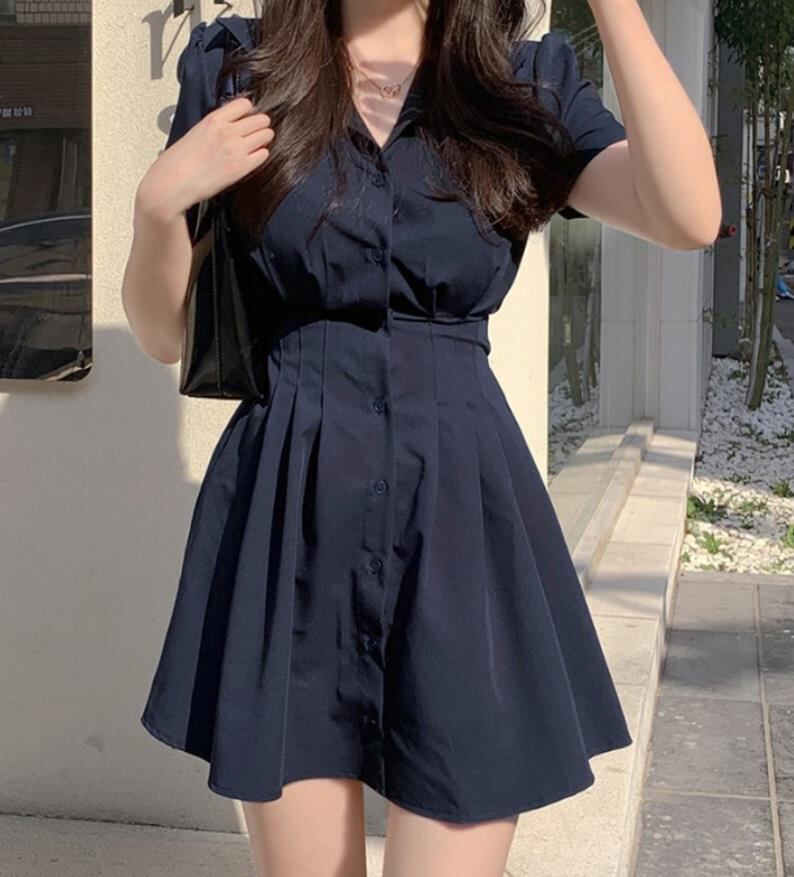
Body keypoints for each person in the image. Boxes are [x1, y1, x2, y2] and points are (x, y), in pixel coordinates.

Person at [121, 2, 721, 875]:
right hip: (291, 513)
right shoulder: (244, 71)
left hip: (461, 516)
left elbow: (688, 215)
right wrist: (157, 204)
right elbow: (165, 331)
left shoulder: (517, 87)